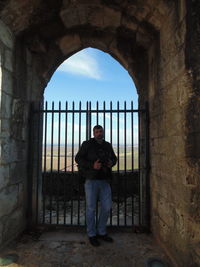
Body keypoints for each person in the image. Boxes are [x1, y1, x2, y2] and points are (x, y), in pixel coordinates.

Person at [75, 125, 117, 246]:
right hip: (91, 180)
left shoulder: (107, 145)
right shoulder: (87, 144)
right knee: (91, 208)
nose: (99, 133)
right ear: (93, 133)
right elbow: (78, 158)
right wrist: (92, 165)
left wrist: (111, 162)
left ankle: (101, 231)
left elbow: (114, 158)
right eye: (97, 131)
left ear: (103, 132)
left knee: (107, 207)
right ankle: (92, 234)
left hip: (104, 180)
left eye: (100, 131)